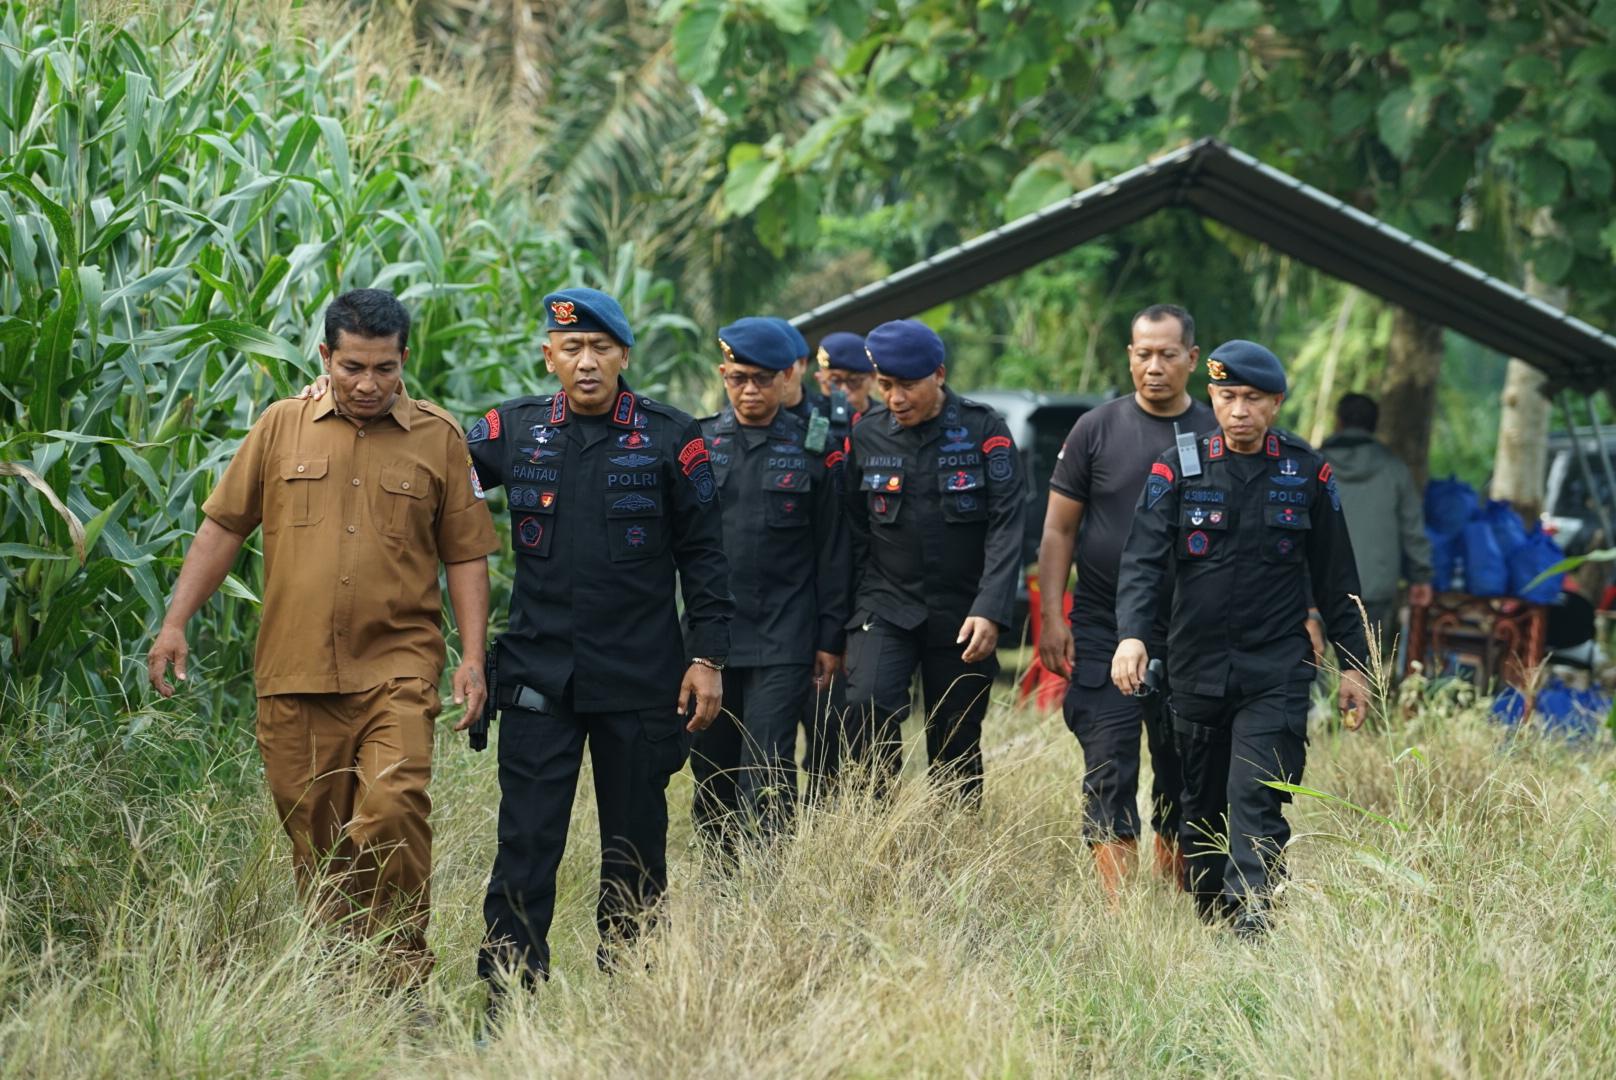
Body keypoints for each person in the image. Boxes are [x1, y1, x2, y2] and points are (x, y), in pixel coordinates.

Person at [147, 288, 497, 986]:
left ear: (404, 360)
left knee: (393, 808)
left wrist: (473, 657)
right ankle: (336, 981)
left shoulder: (438, 437)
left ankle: (399, 975)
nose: (368, 384)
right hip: (295, 669)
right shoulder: (281, 426)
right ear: (325, 357)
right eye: (352, 367)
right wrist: (175, 621)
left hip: (397, 667)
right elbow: (223, 528)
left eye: (385, 368)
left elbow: (465, 555)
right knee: (316, 840)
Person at [469, 287, 733, 999]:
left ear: (624, 355)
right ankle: (507, 997)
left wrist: (707, 657)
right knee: (526, 842)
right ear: (548, 356)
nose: (587, 362)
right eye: (572, 348)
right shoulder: (510, 431)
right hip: (538, 676)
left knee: (635, 845)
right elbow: (430, 467)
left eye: (601, 348)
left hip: (640, 678)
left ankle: (632, 994)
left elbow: (705, 556)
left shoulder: (672, 437)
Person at [1112, 340, 1370, 936]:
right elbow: (1143, 561)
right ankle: (1213, 913)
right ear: (1212, 397)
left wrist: (1355, 666)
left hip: (1275, 668)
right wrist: (1133, 637)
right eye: (1228, 397)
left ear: (1275, 403)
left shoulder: (1306, 472)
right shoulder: (1179, 467)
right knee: (1200, 805)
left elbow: (1337, 578)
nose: (1240, 410)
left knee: (1257, 794)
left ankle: (1254, 925)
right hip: (1195, 668)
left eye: (1253, 398)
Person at [1037, 303, 1213, 899]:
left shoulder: (1214, 433)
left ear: (1192, 358)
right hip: (1102, 622)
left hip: (1188, 628)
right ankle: (1120, 908)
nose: (1154, 366)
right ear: (1130, 356)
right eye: (1143, 354)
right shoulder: (1096, 428)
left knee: (1183, 760)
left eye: (1167, 354)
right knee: (1108, 754)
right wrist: (1052, 617)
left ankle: (1175, 888)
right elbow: (1059, 530)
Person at [842, 319, 1025, 803]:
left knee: (955, 736)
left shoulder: (984, 430)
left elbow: (1006, 524)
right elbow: (853, 530)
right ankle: (876, 825)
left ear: (939, 375)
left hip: (963, 610)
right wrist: (844, 616)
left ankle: (955, 836)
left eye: (907, 386)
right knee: (867, 704)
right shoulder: (866, 435)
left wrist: (990, 608)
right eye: (885, 386)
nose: (895, 398)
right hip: (886, 603)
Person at [689, 317, 850, 854]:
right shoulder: (699, 444)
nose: (750, 390)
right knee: (711, 765)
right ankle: (720, 878)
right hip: (713, 639)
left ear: (785, 377)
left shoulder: (816, 450)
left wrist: (830, 637)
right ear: (723, 376)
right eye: (738, 378)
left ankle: (769, 879)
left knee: (768, 765)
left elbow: (833, 550)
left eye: (762, 379)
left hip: (785, 635)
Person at [1320, 392, 1434, 654]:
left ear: (1338, 421)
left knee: (1313, 661)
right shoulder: (1394, 468)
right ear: (1375, 424)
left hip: (1319, 583)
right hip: (1375, 585)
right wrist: (1420, 577)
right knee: (1364, 660)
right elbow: (1412, 528)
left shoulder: (1313, 464)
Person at [771, 316, 852, 454]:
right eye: (766, 372)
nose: (778, 378)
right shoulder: (741, 421)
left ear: (803, 364)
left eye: (785, 369)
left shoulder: (837, 415)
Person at [814, 331, 877, 417]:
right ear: (819, 379)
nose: (844, 390)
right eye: (835, 381)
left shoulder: (889, 418)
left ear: (872, 377)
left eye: (854, 381)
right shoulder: (811, 418)